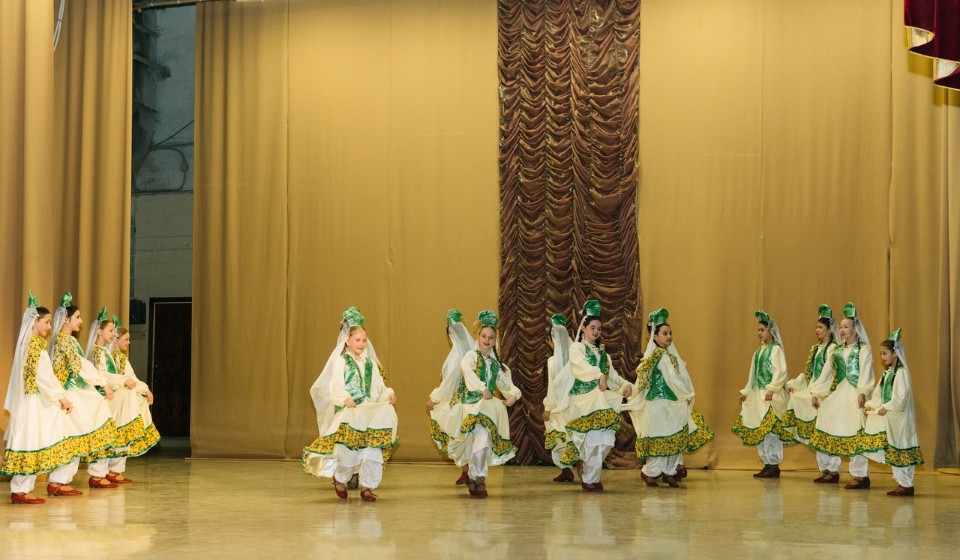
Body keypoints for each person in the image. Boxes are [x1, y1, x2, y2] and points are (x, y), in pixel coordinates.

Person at [303, 307, 398, 502]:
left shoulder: (370, 363)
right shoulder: (342, 361)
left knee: (372, 451)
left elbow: (379, 386)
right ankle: (340, 479)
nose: (361, 344)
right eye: (357, 340)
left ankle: (367, 487)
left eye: (364, 340)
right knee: (348, 452)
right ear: (347, 340)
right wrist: (344, 398)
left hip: (369, 413)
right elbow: (336, 384)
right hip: (351, 413)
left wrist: (388, 394)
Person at [549, 300, 632, 492]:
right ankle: (589, 477)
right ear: (584, 328)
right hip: (583, 401)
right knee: (590, 441)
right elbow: (580, 367)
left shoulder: (604, 354)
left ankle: (590, 474)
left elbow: (613, 377)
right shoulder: (576, 349)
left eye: (599, 329)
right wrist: (598, 374)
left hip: (600, 401)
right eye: (592, 328)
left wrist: (626, 385)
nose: (596, 331)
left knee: (605, 441)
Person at [2, 293, 77, 504]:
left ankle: (22, 489)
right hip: (32, 402)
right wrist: (61, 397)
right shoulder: (34, 345)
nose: (49, 327)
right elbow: (43, 376)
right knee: (30, 439)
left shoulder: (30, 344)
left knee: (30, 439)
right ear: (34, 322)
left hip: (31, 400)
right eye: (46, 322)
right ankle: (21, 490)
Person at [446, 310, 521, 498]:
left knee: (483, 440)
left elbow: (506, 384)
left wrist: (513, 395)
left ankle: (479, 478)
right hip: (470, 406)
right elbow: (467, 371)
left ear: (495, 341)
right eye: (484, 336)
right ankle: (475, 476)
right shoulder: (471, 356)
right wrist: (482, 388)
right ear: (478, 337)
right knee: (473, 442)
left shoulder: (496, 365)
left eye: (491, 337)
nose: (487, 340)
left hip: (487, 408)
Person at [49, 293, 118, 492]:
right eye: (77, 317)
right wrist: (102, 383)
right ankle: (58, 482)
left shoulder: (69, 340)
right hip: (69, 392)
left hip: (74, 391)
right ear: (66, 319)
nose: (81, 321)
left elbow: (81, 365)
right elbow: (79, 366)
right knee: (73, 435)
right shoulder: (64, 340)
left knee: (79, 433)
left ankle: (66, 480)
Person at [629, 308, 698, 488]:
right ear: (655, 336)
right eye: (664, 333)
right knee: (659, 435)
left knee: (673, 435)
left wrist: (686, 395)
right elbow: (669, 379)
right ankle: (650, 472)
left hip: (673, 402)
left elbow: (680, 377)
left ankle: (669, 471)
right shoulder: (655, 356)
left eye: (670, 333)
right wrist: (685, 393)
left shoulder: (670, 356)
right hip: (658, 402)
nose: (668, 336)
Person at [809, 302, 875, 488]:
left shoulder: (863, 349)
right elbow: (826, 373)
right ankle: (831, 470)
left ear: (855, 329)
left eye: (847, 327)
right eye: (841, 327)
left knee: (855, 431)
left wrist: (863, 391)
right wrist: (816, 392)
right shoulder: (837, 350)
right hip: (839, 393)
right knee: (831, 425)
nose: (843, 330)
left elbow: (866, 371)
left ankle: (861, 476)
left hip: (854, 394)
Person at [85, 310, 153, 483]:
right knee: (106, 434)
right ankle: (98, 474)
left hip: (109, 395)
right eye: (111, 331)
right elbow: (102, 375)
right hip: (102, 397)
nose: (113, 334)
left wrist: (143, 388)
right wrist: (123, 381)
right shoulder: (98, 352)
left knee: (117, 429)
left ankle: (110, 471)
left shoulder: (106, 353)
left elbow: (126, 376)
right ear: (100, 332)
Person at [732, 310, 793, 478]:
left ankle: (774, 464)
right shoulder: (758, 351)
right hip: (758, 395)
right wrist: (746, 391)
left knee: (771, 431)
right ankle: (767, 463)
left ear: (770, 330)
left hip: (770, 395)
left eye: (762, 330)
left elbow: (780, 371)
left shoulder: (776, 350)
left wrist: (772, 388)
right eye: (758, 330)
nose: (759, 333)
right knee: (762, 430)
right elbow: (752, 375)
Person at [863, 329, 923, 496]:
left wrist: (887, 407)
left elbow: (901, 396)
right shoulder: (888, 373)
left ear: (895, 353)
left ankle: (907, 484)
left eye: (885, 353)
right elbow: (879, 394)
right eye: (881, 354)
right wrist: (871, 405)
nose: (882, 357)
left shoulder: (901, 373)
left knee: (901, 446)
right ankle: (901, 483)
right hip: (891, 418)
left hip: (900, 417)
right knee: (893, 449)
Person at [783, 305, 840, 470]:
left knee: (826, 430)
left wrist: (817, 391)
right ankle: (824, 468)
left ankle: (833, 469)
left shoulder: (833, 349)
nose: (817, 330)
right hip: (815, 389)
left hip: (826, 391)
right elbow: (808, 372)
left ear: (829, 329)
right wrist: (796, 384)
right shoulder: (815, 349)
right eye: (817, 327)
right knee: (816, 431)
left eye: (820, 327)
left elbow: (830, 374)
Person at [426, 309, 472, 485]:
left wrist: (434, 399)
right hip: (472, 401)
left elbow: (449, 382)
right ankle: (468, 471)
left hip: (460, 401)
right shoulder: (472, 351)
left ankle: (470, 472)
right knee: (466, 437)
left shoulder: (456, 357)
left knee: (459, 435)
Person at [111, 319, 160, 459]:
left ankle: (117, 465)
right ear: (116, 340)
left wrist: (145, 390)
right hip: (115, 398)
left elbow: (132, 378)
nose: (128, 343)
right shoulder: (111, 357)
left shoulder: (122, 358)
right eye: (126, 339)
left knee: (140, 402)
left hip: (122, 397)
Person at [541, 313, 575, 482]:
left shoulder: (552, 361)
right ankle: (576, 467)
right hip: (574, 405)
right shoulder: (576, 357)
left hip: (557, 406)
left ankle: (566, 469)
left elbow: (552, 387)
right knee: (573, 437)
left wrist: (547, 407)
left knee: (559, 437)